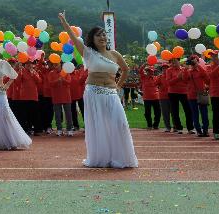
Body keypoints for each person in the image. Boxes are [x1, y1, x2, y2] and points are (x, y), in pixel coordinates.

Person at [57, 12, 137, 168]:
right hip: (94, 93)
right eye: (98, 35)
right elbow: (73, 38)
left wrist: (119, 85)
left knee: (119, 124)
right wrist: (64, 22)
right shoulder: (88, 53)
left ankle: (120, 157)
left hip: (112, 94)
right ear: (92, 39)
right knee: (99, 126)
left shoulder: (114, 54)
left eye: (104, 35)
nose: (102, 38)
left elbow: (126, 70)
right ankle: (101, 158)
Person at [138, 62, 161, 129]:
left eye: (152, 71)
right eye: (149, 71)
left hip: (156, 97)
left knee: (158, 112)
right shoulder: (143, 77)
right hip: (147, 98)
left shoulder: (156, 78)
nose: (151, 72)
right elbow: (140, 70)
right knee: (147, 113)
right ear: (147, 71)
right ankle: (149, 125)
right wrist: (145, 64)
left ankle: (156, 125)